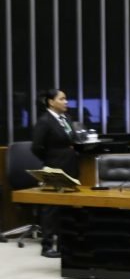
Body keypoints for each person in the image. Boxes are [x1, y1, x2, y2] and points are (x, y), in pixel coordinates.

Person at [32, 88, 79, 258]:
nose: (66, 102)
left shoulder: (66, 118)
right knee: (51, 208)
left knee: (66, 207)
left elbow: (70, 139)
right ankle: (47, 245)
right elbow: (36, 147)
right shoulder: (44, 121)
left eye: (66, 98)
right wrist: (51, 161)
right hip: (54, 167)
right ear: (51, 102)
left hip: (70, 166)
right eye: (62, 99)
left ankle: (63, 244)